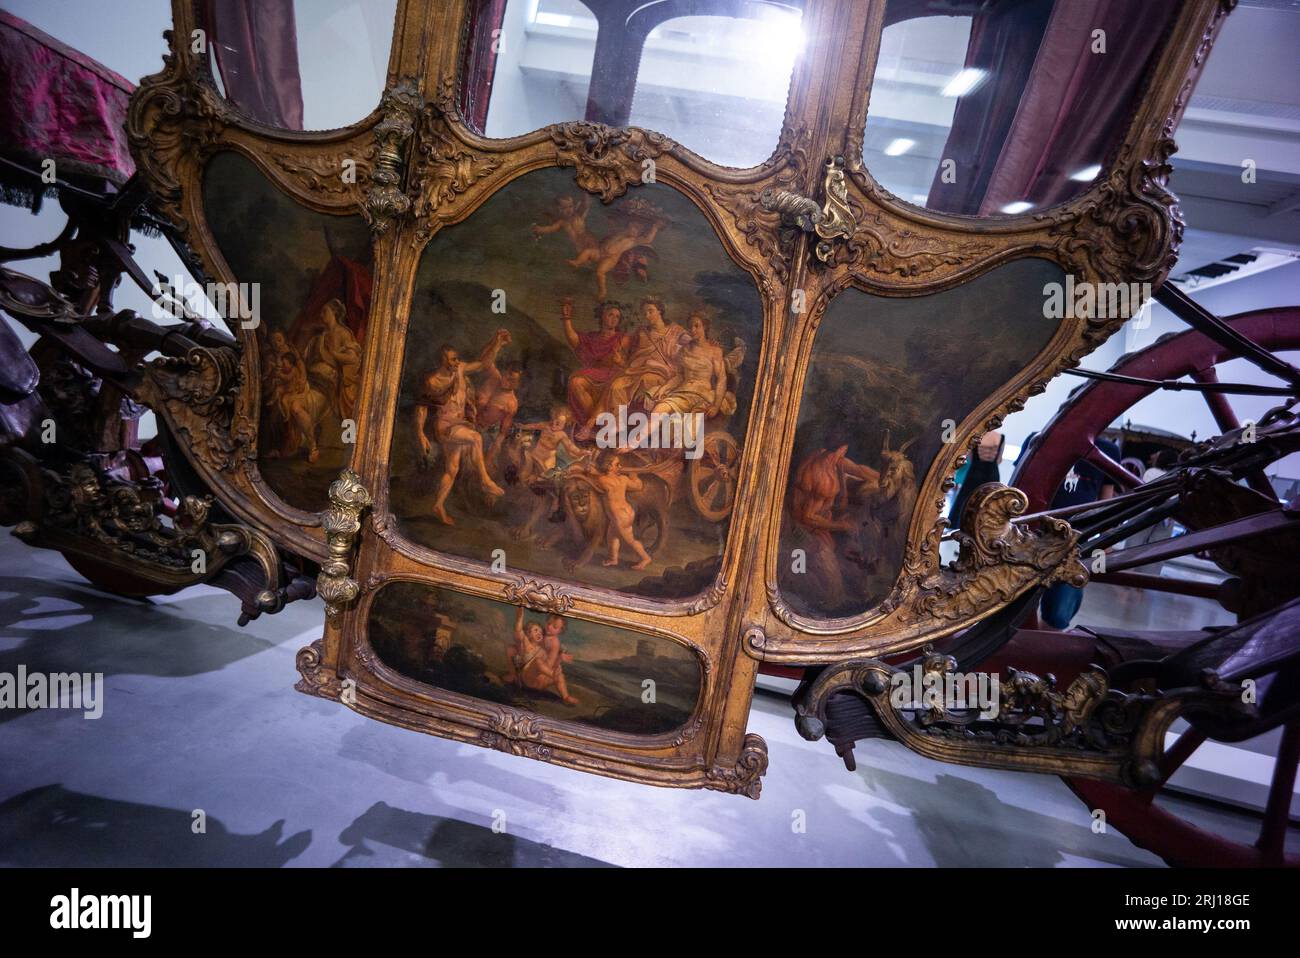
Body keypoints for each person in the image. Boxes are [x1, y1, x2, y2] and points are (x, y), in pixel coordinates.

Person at [415, 331, 511, 525]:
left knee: (452, 469)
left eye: (457, 358)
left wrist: (497, 343)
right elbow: (422, 407)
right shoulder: (433, 381)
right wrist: (420, 433)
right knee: (476, 438)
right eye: (452, 359)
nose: (457, 362)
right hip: (445, 427)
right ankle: (485, 481)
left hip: (459, 425)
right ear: (442, 361)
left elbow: (483, 364)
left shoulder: (459, 370)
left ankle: (438, 505)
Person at [1038, 435, 1121, 629]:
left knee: (1058, 614)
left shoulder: (1108, 450)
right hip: (1036, 535)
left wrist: (1106, 540)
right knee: (1012, 606)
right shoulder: (1041, 439)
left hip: (1078, 542)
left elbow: (1105, 500)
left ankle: (1037, 652)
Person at [562, 299, 628, 425]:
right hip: (594, 373)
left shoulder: (623, 338)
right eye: (610, 315)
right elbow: (574, 340)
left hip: (615, 374)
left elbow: (632, 362)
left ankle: (599, 424)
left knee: (615, 385)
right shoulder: (592, 337)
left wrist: (620, 362)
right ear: (602, 316)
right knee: (576, 382)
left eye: (617, 316)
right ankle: (597, 424)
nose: (614, 319)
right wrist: (567, 318)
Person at [950, 430, 1004, 527]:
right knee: (989, 501)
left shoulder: (976, 436)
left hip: (975, 472)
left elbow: (970, 458)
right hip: (992, 473)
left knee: (967, 499)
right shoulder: (1000, 437)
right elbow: (999, 459)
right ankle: (984, 526)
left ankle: (960, 524)